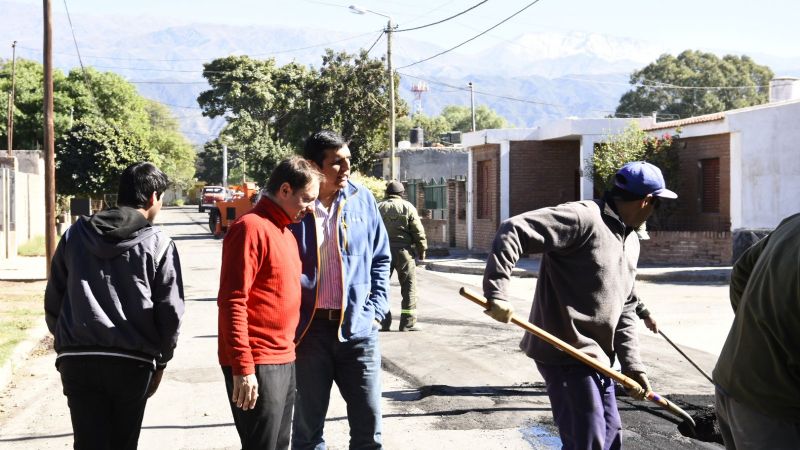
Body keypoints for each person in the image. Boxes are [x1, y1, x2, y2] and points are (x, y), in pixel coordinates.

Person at [482, 161, 677, 449]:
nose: (654, 212)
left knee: (611, 439)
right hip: (564, 351)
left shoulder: (630, 239)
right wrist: (497, 293)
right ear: (647, 200)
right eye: (657, 204)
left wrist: (633, 366)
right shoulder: (583, 218)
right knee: (588, 442)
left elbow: (625, 305)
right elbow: (513, 230)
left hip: (599, 360)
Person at [44, 162, 184, 450]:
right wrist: (162, 360)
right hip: (132, 364)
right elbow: (169, 311)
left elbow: (54, 298)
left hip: (78, 359)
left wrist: (66, 342)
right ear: (153, 197)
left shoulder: (74, 234)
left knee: (87, 443)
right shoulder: (159, 243)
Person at [289, 130, 391, 450]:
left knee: (368, 429)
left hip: (359, 330)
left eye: (348, 160)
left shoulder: (363, 200)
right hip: (309, 334)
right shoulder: (295, 207)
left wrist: (376, 309)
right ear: (313, 166)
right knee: (307, 433)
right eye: (337, 162)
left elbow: (380, 258)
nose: (346, 168)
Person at [217, 157, 321, 450]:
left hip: (283, 357)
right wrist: (243, 367)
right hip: (258, 361)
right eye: (306, 198)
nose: (310, 207)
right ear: (285, 190)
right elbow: (232, 301)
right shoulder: (250, 228)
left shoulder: (285, 232)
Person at [712, 212, 800, 449]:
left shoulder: (793, 223)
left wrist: (755, 335)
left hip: (734, 381)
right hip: (770, 406)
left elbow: (741, 272)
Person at [377, 180, 427, 332]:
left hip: (381, 252)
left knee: (381, 287)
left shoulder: (378, 207)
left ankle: (383, 322)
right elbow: (417, 230)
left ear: (386, 193)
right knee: (408, 287)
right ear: (402, 193)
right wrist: (422, 248)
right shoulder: (408, 207)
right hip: (404, 252)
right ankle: (407, 323)